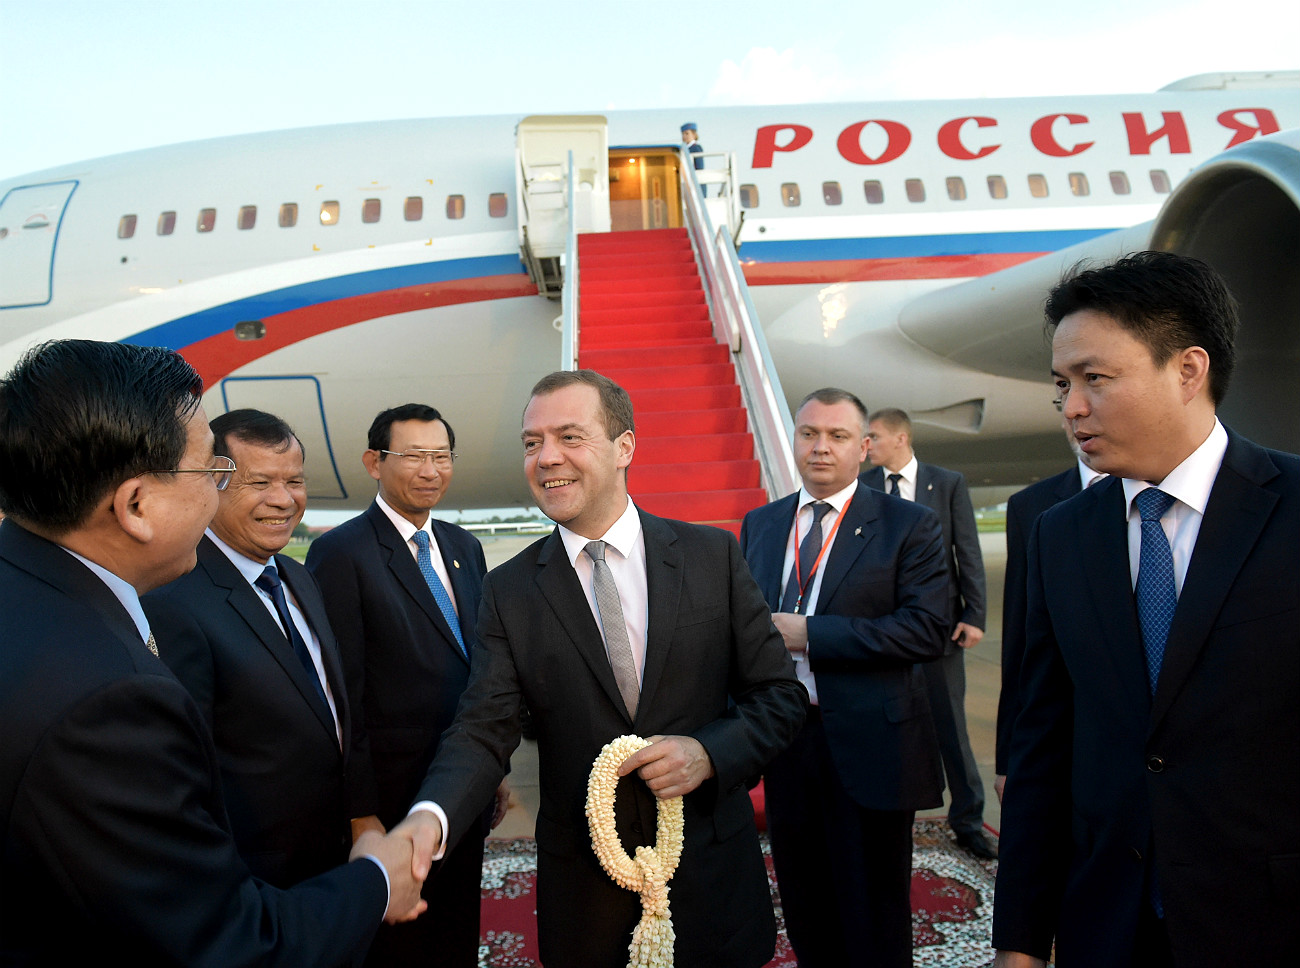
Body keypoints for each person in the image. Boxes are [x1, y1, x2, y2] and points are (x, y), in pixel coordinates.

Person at [0, 339, 425, 964]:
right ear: (137, 505)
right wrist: (380, 880)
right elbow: (229, 945)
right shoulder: (109, 699)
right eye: (212, 473)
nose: (217, 493)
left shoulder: (30, 596)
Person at [395, 369, 807, 968]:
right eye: (532, 442)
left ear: (625, 447)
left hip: (711, 873)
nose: (546, 458)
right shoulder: (509, 592)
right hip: (587, 891)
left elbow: (779, 696)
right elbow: (483, 728)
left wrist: (710, 753)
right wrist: (429, 820)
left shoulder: (710, 557)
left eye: (569, 436)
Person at [993, 251, 1300, 966]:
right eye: (1062, 384)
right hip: (1111, 927)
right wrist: (1020, 941)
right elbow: (1043, 748)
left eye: (1095, 378)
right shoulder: (1060, 534)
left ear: (1188, 370)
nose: (1071, 407)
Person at [740, 388, 950, 968]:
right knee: (805, 901)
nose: (820, 448)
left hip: (872, 744)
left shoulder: (909, 525)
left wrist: (812, 634)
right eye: (809, 434)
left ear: (864, 448)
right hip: (787, 740)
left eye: (836, 437)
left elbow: (926, 630)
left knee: (873, 911)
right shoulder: (761, 524)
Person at [307, 403, 502, 967]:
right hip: (392, 794)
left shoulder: (464, 547)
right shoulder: (342, 554)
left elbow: (478, 664)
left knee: (459, 923)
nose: (430, 470)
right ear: (374, 462)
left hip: (461, 785)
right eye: (414, 456)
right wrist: (359, 809)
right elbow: (341, 693)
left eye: (441, 457)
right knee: (401, 942)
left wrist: (492, 769)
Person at [143, 409, 364, 888]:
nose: (283, 500)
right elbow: (180, 773)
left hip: (331, 860)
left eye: (295, 481)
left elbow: (328, 711)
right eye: (259, 483)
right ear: (213, 483)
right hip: (253, 877)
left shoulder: (298, 577)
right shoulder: (174, 599)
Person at [860, 407, 994, 858]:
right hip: (887, 632)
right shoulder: (866, 487)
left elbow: (967, 552)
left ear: (900, 439)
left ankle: (969, 820)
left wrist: (974, 615)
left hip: (940, 630)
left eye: (873, 437)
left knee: (951, 728)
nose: (867, 445)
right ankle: (891, 817)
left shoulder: (947, 483)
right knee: (891, 728)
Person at [992, 410, 1104, 802]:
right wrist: (1007, 757)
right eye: (1062, 401)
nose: (1075, 415)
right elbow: (1020, 639)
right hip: (1060, 733)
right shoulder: (1031, 506)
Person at [681, 122, 705, 193]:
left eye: (687, 133)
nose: (684, 136)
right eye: (683, 134)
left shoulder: (696, 148)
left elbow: (699, 167)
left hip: (695, 184)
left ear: (694, 135)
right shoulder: (684, 149)